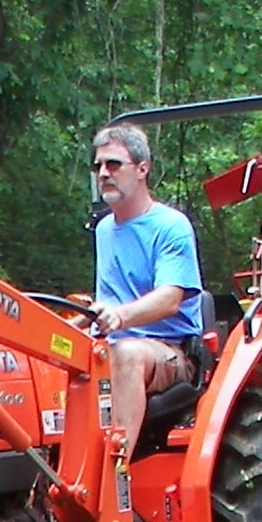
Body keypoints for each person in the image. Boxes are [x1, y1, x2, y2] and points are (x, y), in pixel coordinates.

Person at [86, 123, 204, 454]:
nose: (104, 173)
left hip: (169, 351)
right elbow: (109, 299)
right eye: (98, 166)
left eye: (113, 164)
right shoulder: (104, 229)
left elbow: (170, 299)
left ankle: (113, 471)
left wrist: (119, 317)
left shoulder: (170, 226)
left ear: (142, 169)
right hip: (110, 345)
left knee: (127, 354)